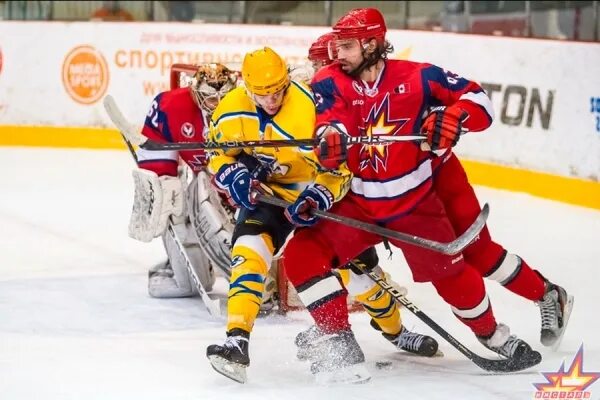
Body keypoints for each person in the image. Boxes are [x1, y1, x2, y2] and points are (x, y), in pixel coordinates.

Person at [283, 8, 546, 378]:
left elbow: (480, 100)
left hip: (416, 206)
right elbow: (332, 117)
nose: (336, 53)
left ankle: (494, 335)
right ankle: (338, 341)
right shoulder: (329, 80)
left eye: (345, 46)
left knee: (453, 280)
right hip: (358, 204)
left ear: (372, 44)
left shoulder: (420, 76)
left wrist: (457, 117)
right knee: (302, 253)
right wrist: (331, 137)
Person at [294, 31, 440, 363]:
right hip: (297, 199)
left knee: (363, 278)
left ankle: (394, 330)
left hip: (335, 201)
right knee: (306, 266)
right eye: (315, 62)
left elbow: (351, 160)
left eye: (323, 63)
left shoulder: (348, 97)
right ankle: (329, 328)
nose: (318, 69)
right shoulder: (302, 94)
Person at [128, 63, 239, 301]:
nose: (218, 104)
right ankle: (186, 268)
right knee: (181, 200)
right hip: (207, 180)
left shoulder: (249, 105)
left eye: (224, 97)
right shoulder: (171, 106)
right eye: (210, 98)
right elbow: (156, 153)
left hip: (241, 183)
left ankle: (252, 276)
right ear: (196, 94)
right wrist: (164, 182)